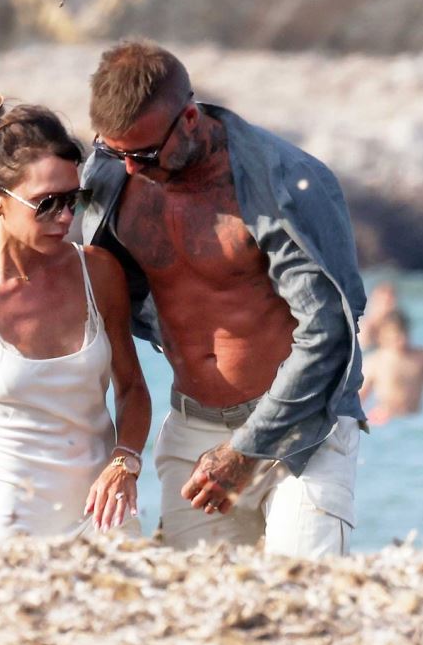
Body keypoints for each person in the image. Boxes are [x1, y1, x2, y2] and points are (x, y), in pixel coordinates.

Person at [81, 39, 368, 558]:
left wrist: (245, 451)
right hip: (192, 428)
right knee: (198, 605)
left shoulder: (286, 181)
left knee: (301, 597)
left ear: (189, 119)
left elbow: (330, 331)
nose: (130, 168)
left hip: (301, 435)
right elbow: (96, 285)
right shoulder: (112, 175)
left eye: (143, 154)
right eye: (115, 151)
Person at [0, 94, 151, 539]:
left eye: (73, 199)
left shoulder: (99, 273)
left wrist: (126, 461)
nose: (65, 217)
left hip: (106, 523)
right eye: (46, 203)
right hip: (7, 530)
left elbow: (133, 388)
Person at [360, 309, 423, 425]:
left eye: (404, 333)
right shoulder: (375, 362)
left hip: (415, 419)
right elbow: (360, 397)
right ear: (382, 336)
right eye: (395, 335)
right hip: (387, 420)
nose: (401, 339)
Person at [358, 281, 398, 351]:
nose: (391, 307)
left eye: (392, 302)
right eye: (387, 302)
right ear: (375, 302)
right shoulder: (366, 329)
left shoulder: (396, 325)